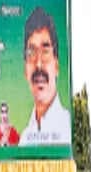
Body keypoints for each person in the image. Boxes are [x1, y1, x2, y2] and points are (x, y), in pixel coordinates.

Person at [20, 6, 71, 146]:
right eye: (31, 53)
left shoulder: (67, 128)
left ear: (57, 65)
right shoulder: (24, 139)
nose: (38, 64)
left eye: (45, 52)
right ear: (25, 70)